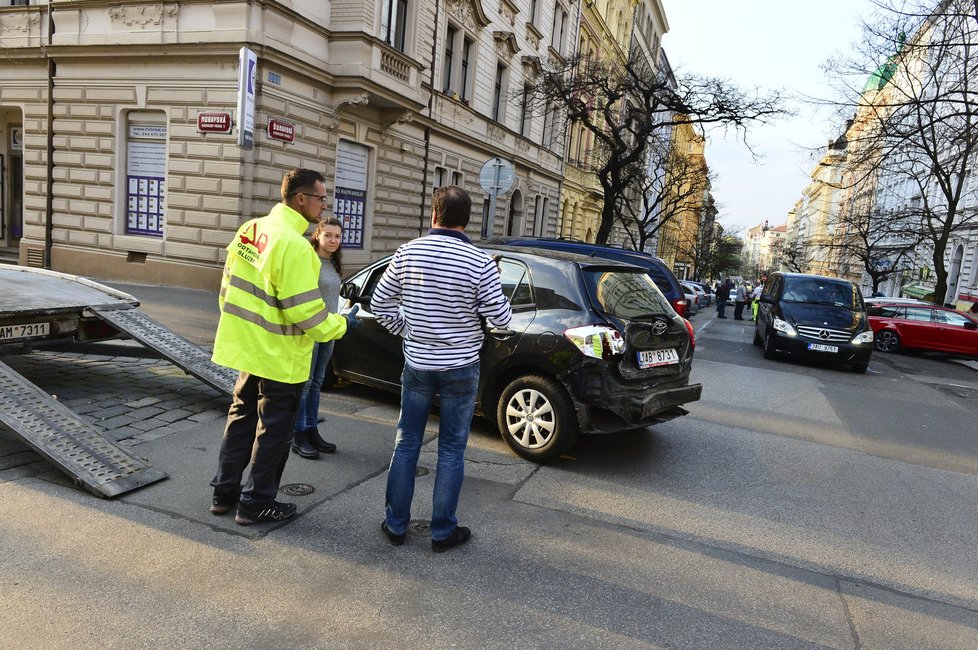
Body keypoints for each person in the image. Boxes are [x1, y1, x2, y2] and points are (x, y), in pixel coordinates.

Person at [209, 169, 361, 526]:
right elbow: (307, 313)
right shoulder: (294, 246)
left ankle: (223, 492)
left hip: (247, 348)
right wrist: (341, 324)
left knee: (241, 418)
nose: (325, 204)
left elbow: (227, 285)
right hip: (281, 355)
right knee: (274, 431)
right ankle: (256, 503)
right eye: (321, 198)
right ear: (300, 199)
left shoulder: (251, 230)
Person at [371, 185, 512, 553]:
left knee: (406, 443)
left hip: (417, 363)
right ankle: (442, 531)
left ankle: (396, 525)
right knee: (451, 449)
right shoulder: (480, 262)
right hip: (461, 367)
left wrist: (409, 328)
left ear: (434, 214)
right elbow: (500, 319)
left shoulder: (407, 252)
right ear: (467, 220)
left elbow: (379, 303)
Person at [292, 217, 344, 460]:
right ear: (318, 235)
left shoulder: (333, 262)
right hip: (311, 331)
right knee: (305, 382)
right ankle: (298, 433)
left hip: (330, 330)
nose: (333, 240)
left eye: (337, 236)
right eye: (328, 235)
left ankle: (312, 429)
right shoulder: (310, 260)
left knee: (317, 382)